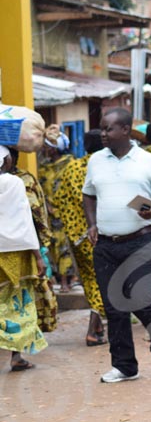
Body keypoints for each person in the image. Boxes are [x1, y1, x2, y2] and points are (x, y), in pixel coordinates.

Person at [82, 108, 151, 383]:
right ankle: (124, 366)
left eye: (108, 128)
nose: (103, 133)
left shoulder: (148, 161)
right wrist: (92, 224)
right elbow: (88, 194)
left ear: (125, 130)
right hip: (105, 244)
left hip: (141, 240)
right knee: (113, 307)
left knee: (142, 300)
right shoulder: (96, 161)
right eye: (102, 128)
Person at [53, 130, 106, 346]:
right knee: (102, 282)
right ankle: (92, 330)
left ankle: (98, 326)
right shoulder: (103, 168)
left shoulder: (72, 168)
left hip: (76, 237)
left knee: (89, 279)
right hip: (98, 234)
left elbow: (58, 199)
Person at [0, 145, 49, 371]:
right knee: (18, 302)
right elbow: (25, 219)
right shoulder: (15, 183)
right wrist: (38, 255)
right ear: (6, 161)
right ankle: (16, 356)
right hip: (18, 251)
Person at [38, 125, 76, 292]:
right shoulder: (44, 167)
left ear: (55, 148)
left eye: (47, 146)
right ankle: (58, 278)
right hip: (48, 214)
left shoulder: (69, 165)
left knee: (65, 247)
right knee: (52, 246)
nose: (45, 149)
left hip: (66, 214)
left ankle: (66, 281)